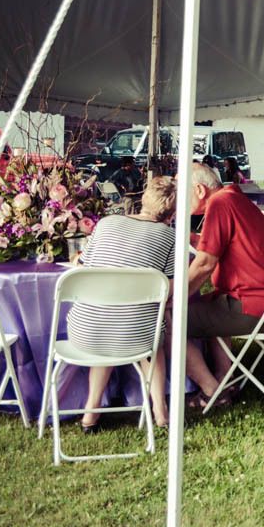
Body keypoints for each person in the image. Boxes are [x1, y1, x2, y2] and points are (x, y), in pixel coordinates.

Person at [69, 176, 177, 431]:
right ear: (171, 213)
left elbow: (83, 266)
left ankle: (90, 413)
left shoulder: (106, 224)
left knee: (108, 316)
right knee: (152, 339)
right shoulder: (169, 237)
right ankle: (160, 411)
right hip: (137, 338)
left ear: (144, 198)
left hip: (86, 333)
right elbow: (167, 290)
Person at [184, 163, 264, 408]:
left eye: (182, 192)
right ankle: (226, 379)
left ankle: (212, 390)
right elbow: (227, 242)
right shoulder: (233, 198)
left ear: (199, 190)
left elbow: (204, 264)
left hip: (256, 307)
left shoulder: (219, 204)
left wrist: (175, 297)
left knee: (166, 321)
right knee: (213, 304)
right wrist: (194, 239)